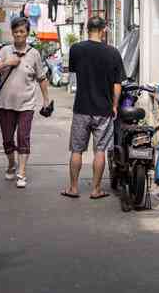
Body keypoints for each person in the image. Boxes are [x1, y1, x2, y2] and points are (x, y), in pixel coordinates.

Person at [61, 16, 126, 199]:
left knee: (76, 150)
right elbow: (117, 85)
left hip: (81, 107)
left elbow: (74, 73)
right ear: (104, 29)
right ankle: (96, 189)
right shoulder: (113, 53)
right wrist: (114, 105)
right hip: (103, 110)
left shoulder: (76, 49)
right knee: (100, 151)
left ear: (87, 29)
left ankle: (73, 188)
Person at [0, 16, 51, 188]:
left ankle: (22, 172)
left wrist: (46, 100)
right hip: (5, 104)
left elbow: (42, 78)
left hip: (27, 104)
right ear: (12, 33)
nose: (18, 35)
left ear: (27, 33)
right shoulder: (4, 52)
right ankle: (11, 164)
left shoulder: (34, 54)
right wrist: (8, 63)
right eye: (16, 32)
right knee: (8, 140)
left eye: (22, 32)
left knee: (23, 137)